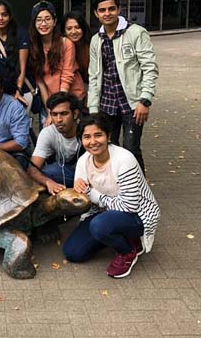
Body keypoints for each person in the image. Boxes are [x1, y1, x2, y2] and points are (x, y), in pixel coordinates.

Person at [63, 113, 160, 278]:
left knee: (100, 225)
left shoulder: (124, 160)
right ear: (81, 140)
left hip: (137, 215)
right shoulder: (83, 161)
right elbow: (84, 198)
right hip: (103, 214)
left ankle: (128, 250)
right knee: (73, 252)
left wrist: (92, 194)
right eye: (86, 137)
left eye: (98, 135)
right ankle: (114, 235)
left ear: (108, 136)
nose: (93, 142)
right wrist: (77, 190)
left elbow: (130, 206)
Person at [88, 0, 158, 172]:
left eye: (111, 8)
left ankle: (138, 193)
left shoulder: (135, 33)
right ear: (96, 13)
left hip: (132, 104)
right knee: (108, 149)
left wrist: (145, 100)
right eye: (102, 10)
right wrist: (93, 109)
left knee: (131, 150)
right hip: (107, 105)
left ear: (118, 9)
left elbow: (149, 68)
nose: (107, 13)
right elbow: (94, 76)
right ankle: (116, 188)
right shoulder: (96, 40)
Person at [29, 1, 85, 124]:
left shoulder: (66, 43)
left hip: (71, 98)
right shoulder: (33, 48)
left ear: (54, 22)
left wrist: (58, 110)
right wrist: (50, 111)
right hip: (49, 101)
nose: (43, 23)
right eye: (39, 20)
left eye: (48, 19)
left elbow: (67, 76)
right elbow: (40, 81)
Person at [0, 0, 33, 109]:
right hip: (2, 91)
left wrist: (18, 90)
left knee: (20, 124)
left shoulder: (21, 34)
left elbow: (22, 68)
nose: (0, 18)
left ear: (9, 17)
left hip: (22, 89)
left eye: (4, 15)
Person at [26, 92, 82, 193]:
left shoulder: (86, 131)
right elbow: (33, 169)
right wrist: (48, 182)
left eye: (64, 114)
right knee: (47, 172)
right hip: (64, 175)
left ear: (75, 114)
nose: (59, 119)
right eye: (54, 114)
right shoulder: (48, 133)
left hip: (88, 177)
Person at [61, 10, 91, 97]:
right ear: (64, 31)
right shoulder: (61, 46)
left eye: (77, 27)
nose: (73, 32)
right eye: (69, 28)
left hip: (88, 91)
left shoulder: (91, 46)